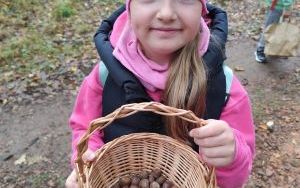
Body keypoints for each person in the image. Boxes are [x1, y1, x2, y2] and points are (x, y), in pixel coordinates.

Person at [66, 0, 255, 187]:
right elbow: (85, 128)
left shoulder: (226, 89)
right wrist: (87, 155)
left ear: (202, 9)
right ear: (129, 7)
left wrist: (231, 156)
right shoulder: (103, 76)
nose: (166, 14)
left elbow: (234, 180)